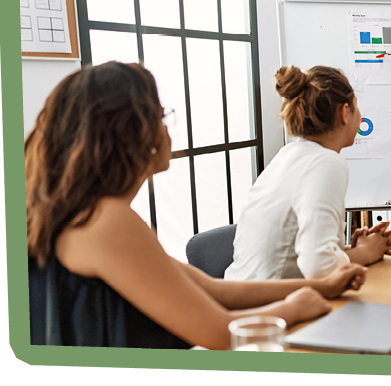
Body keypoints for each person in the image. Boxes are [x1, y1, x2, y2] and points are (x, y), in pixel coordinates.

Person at [27, 62, 368, 350]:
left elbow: (215, 289)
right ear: (131, 133)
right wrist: (292, 308)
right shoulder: (107, 222)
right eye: (160, 117)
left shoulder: (82, 216)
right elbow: (220, 332)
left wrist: (323, 287)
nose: (166, 129)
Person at [225, 65, 391, 281]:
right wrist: (366, 253)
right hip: (272, 305)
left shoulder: (288, 155)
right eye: (357, 107)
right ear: (344, 113)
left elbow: (299, 255)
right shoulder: (325, 163)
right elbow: (319, 269)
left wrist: (343, 251)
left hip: (247, 297)